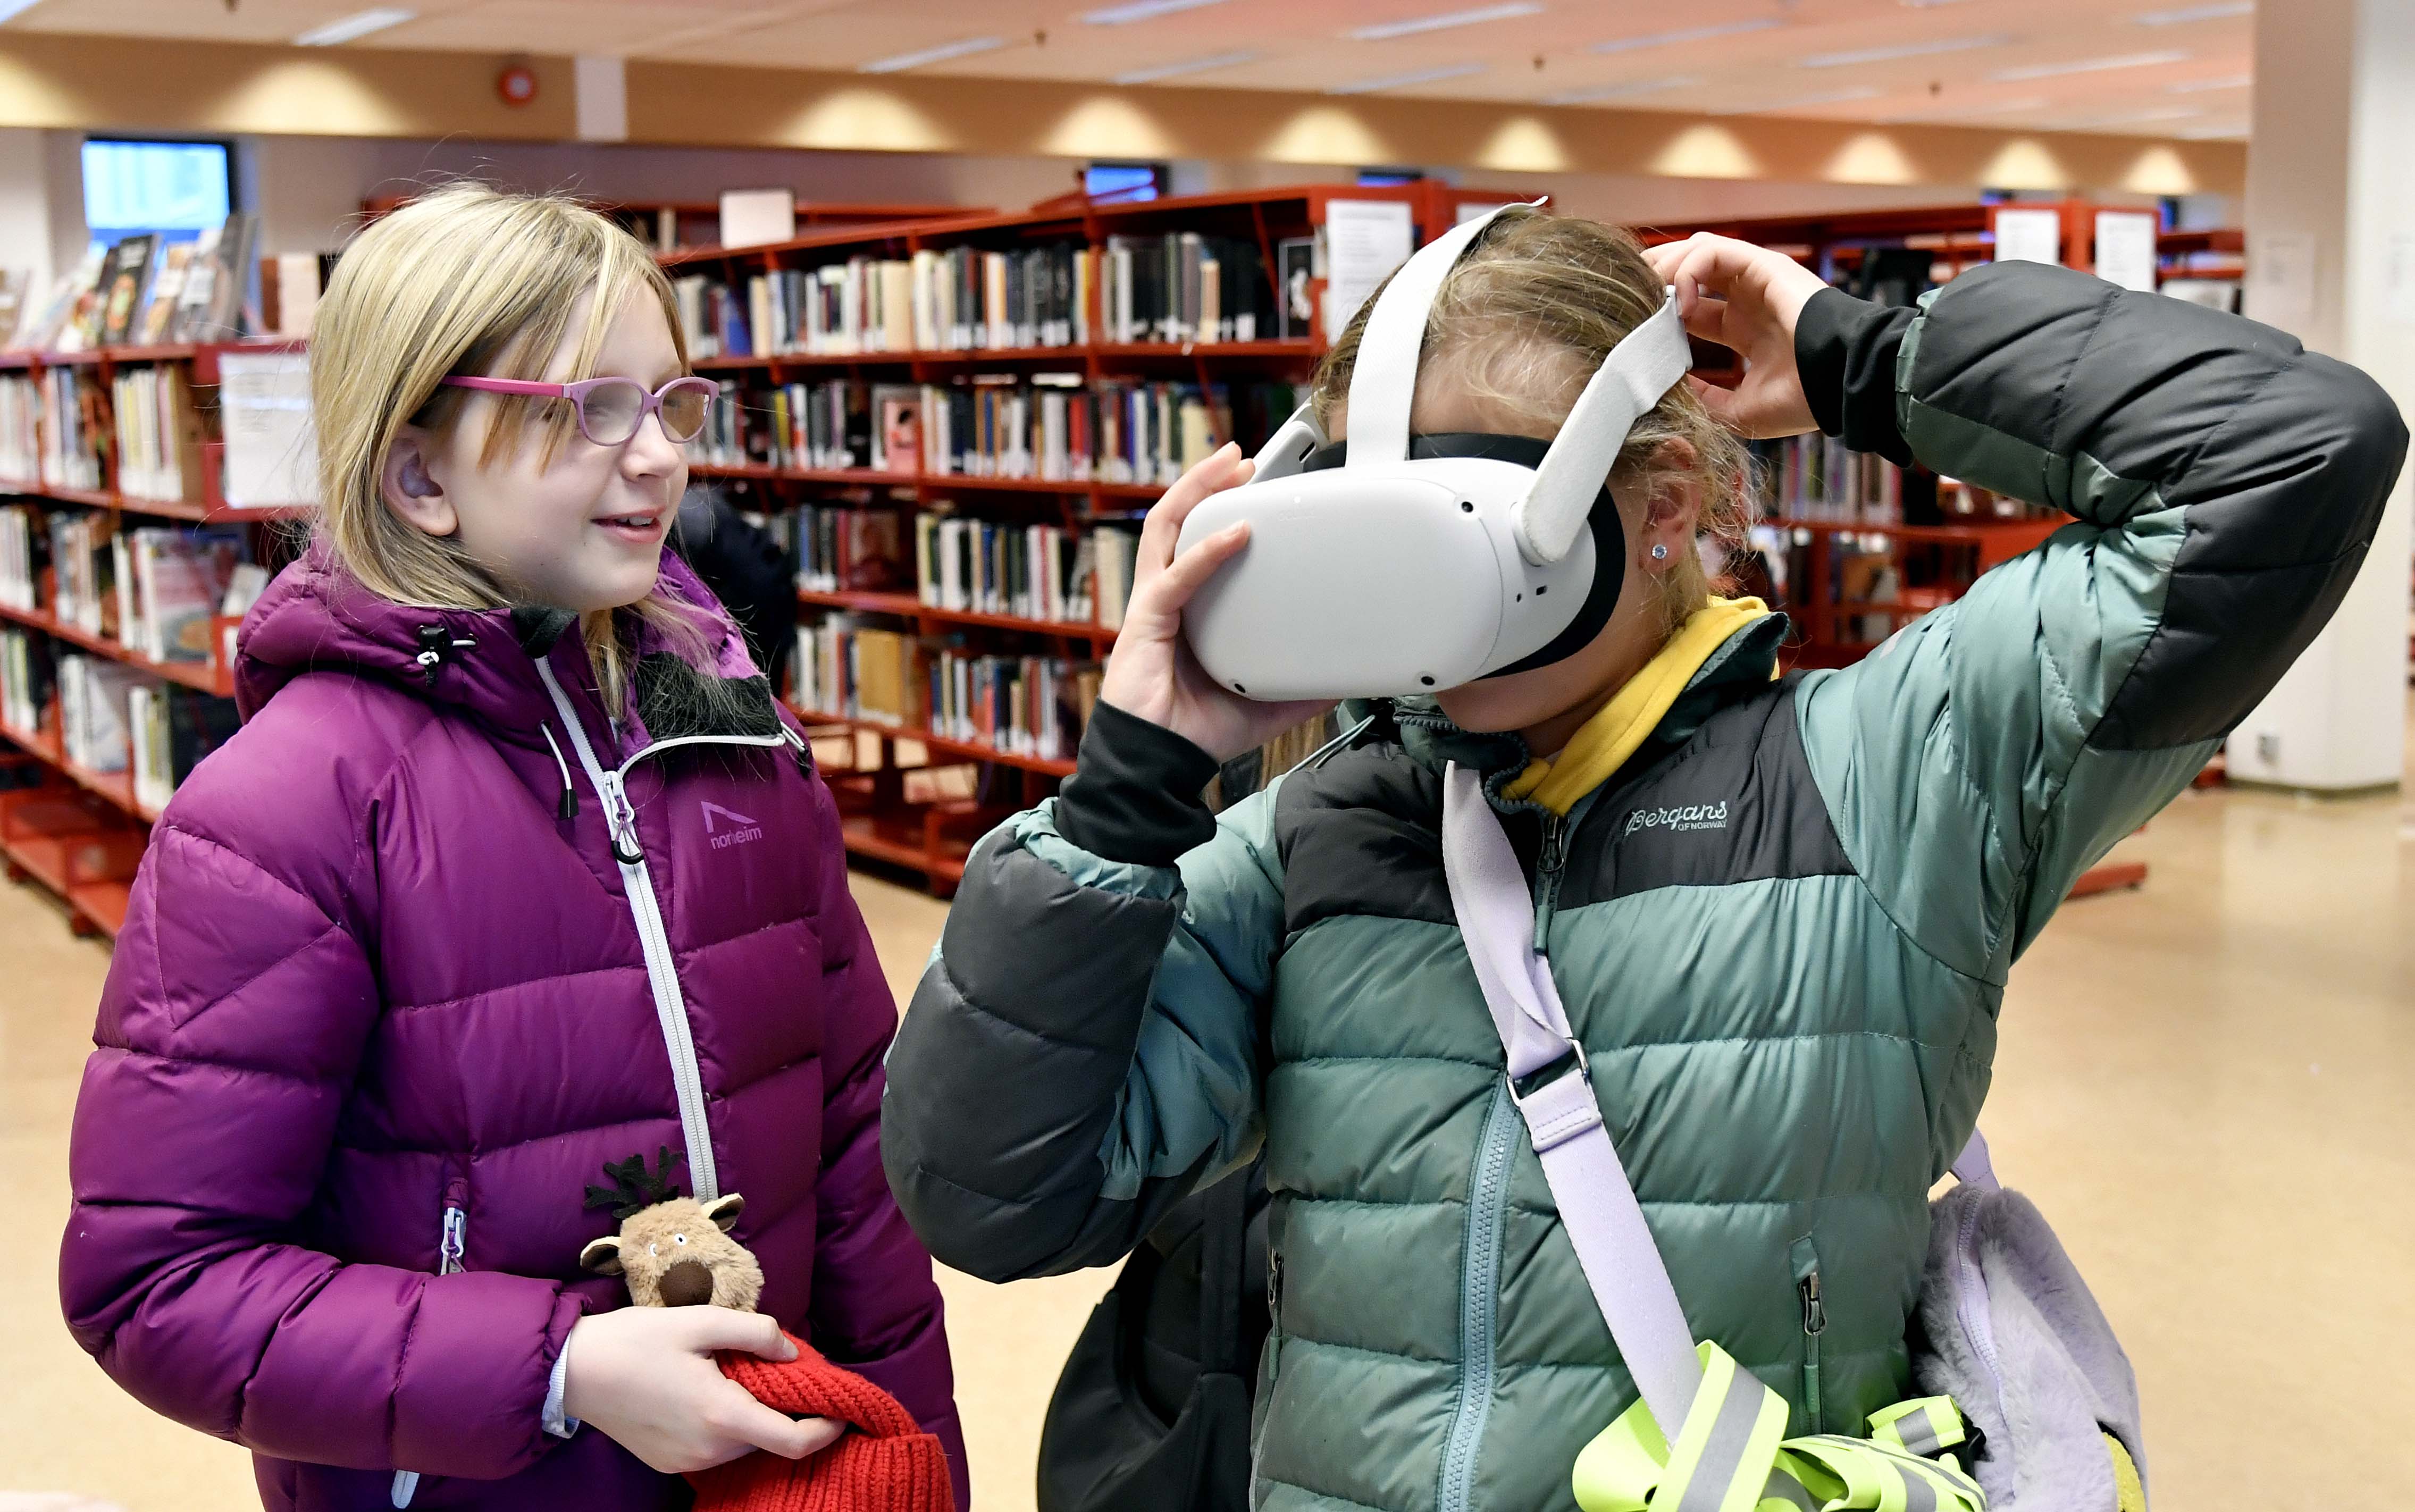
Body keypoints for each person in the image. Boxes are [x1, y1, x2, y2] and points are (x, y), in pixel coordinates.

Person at [880, 207, 2405, 1511]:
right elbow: (990, 1196)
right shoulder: (1317, 830)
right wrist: (1121, 799)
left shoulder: (1884, 777)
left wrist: (1860, 359)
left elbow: (2289, 453)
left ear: (1662, 509)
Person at [58, 184, 968, 1512]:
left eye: (673, 405)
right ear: (420, 474)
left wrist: (915, 1455)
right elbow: (158, 1279)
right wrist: (563, 1369)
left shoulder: (732, 734)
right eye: (588, 410)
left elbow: (851, 1161)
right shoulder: (286, 810)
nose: (656, 460)